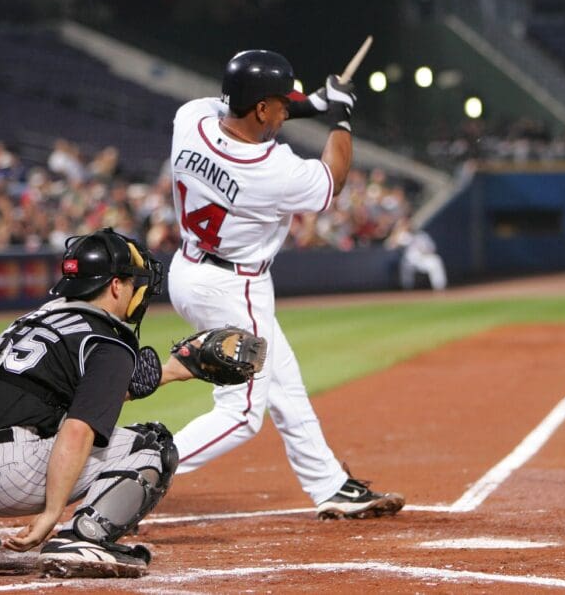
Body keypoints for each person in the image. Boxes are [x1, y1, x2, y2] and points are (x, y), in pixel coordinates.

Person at [166, 49, 405, 519]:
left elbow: (241, 109)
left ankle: (330, 485)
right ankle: (131, 468)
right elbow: (333, 177)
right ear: (261, 108)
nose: (285, 109)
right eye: (280, 102)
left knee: (285, 381)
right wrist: (340, 116)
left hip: (188, 269)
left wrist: (313, 103)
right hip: (235, 289)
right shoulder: (271, 170)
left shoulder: (189, 119)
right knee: (241, 412)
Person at [0, 228, 209, 578]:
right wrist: (51, 514)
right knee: (154, 445)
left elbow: (57, 391)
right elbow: (78, 428)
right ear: (116, 286)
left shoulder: (33, 320)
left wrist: (173, 371)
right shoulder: (109, 341)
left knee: (19, 409)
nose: (139, 291)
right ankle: (85, 538)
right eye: (135, 282)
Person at [386, 216, 447, 291]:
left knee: (436, 261)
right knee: (405, 264)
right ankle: (407, 289)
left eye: (408, 224)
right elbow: (389, 246)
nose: (407, 226)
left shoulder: (422, 235)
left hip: (424, 258)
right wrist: (397, 231)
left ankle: (439, 287)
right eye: (404, 225)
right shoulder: (402, 236)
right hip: (410, 260)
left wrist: (425, 250)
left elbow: (432, 248)